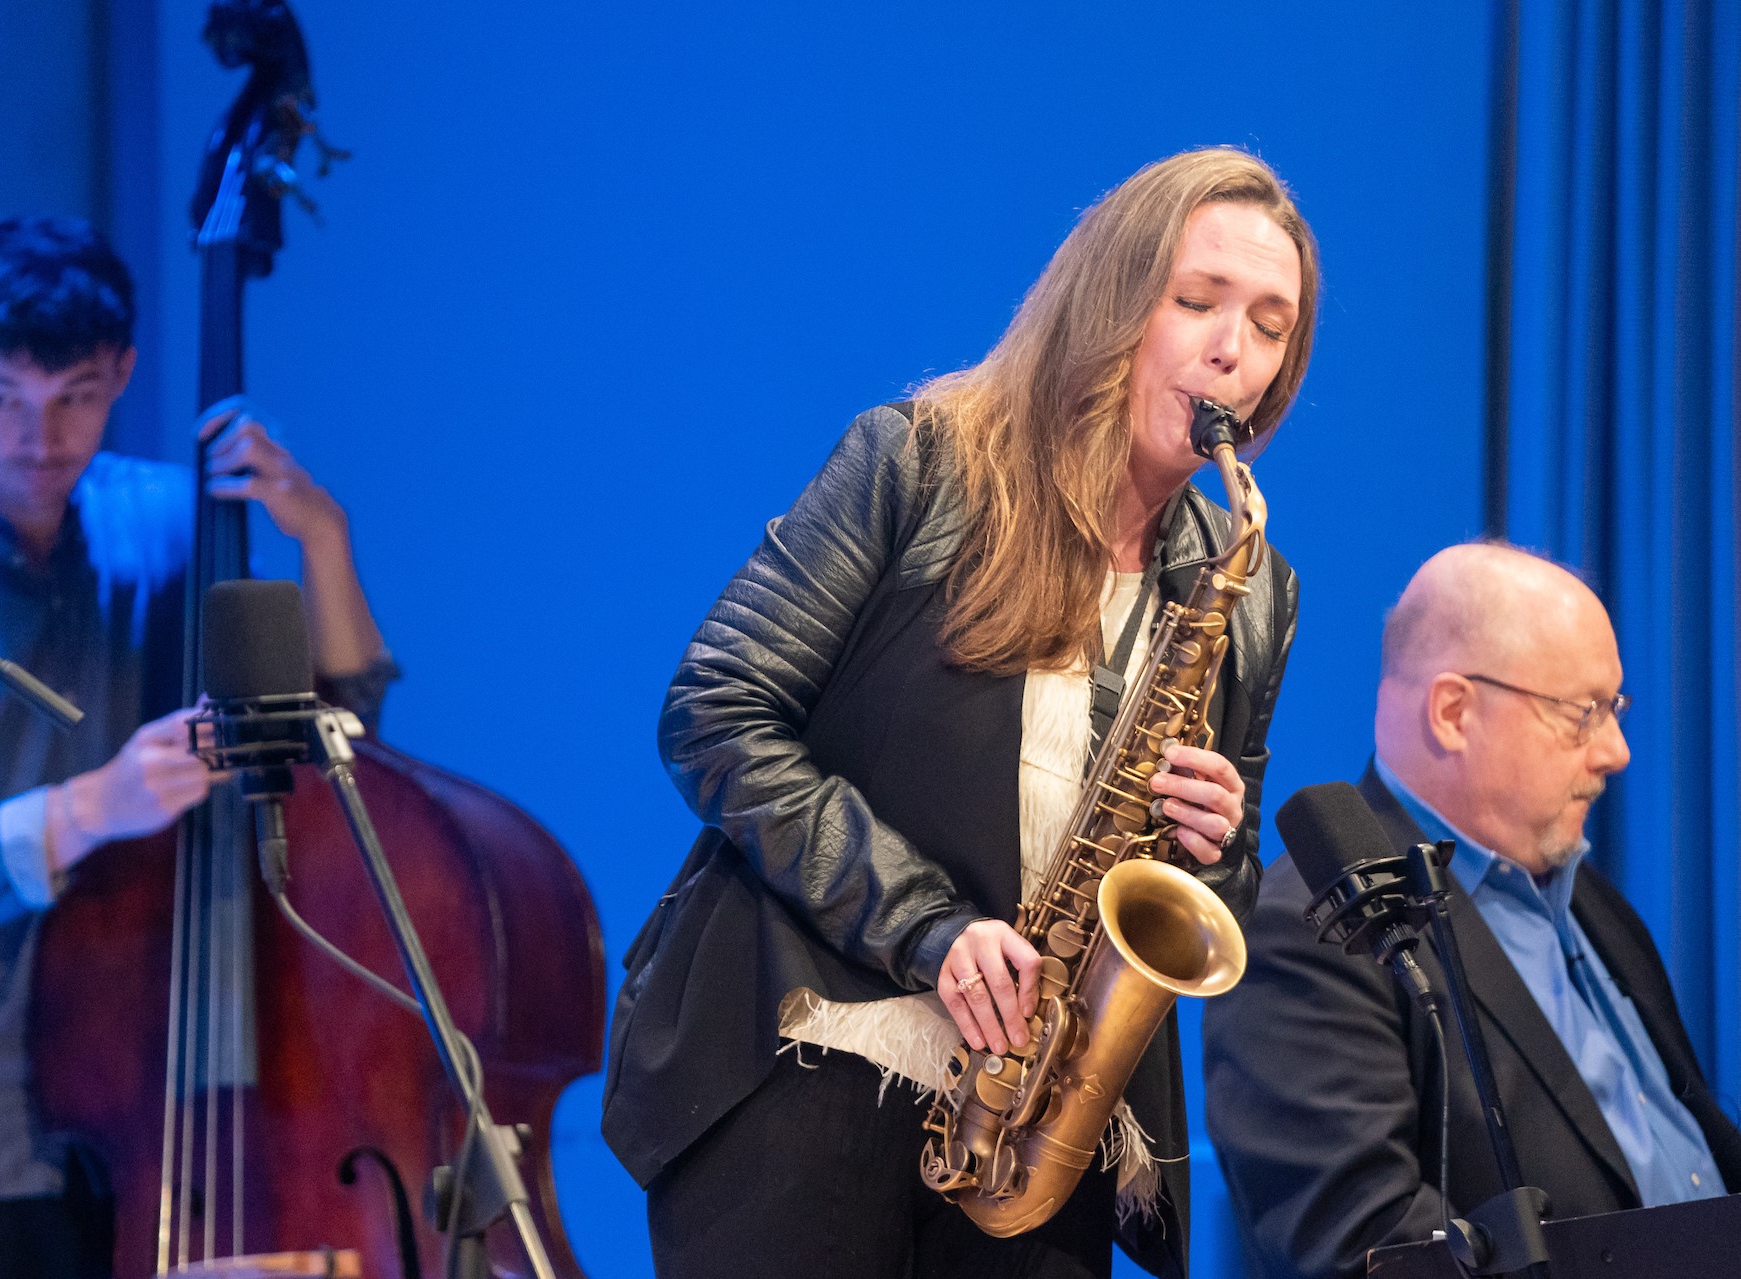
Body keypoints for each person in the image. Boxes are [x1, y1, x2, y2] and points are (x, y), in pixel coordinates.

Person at [603, 147, 1314, 1278]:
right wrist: (927, 925)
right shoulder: (918, 462)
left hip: (1034, 1125)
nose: (1237, 352)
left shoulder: (1249, 581)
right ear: (1113, 300)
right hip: (810, 1063)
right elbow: (715, 711)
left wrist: (1213, 842)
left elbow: (1202, 909)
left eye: (1272, 325)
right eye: (1198, 302)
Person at [0, 215, 394, 1279]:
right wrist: (94, 805)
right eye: (3, 398)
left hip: (143, 1106)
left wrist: (321, 534)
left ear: (124, 373)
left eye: (77, 397)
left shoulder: (172, 523)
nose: (39, 438)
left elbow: (336, 730)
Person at [1202, 543, 1741, 1279]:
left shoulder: (1595, 904)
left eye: (1614, 709)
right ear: (1454, 711)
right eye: (1582, 713)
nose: (1616, 751)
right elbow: (1358, 1244)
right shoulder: (1317, 925)